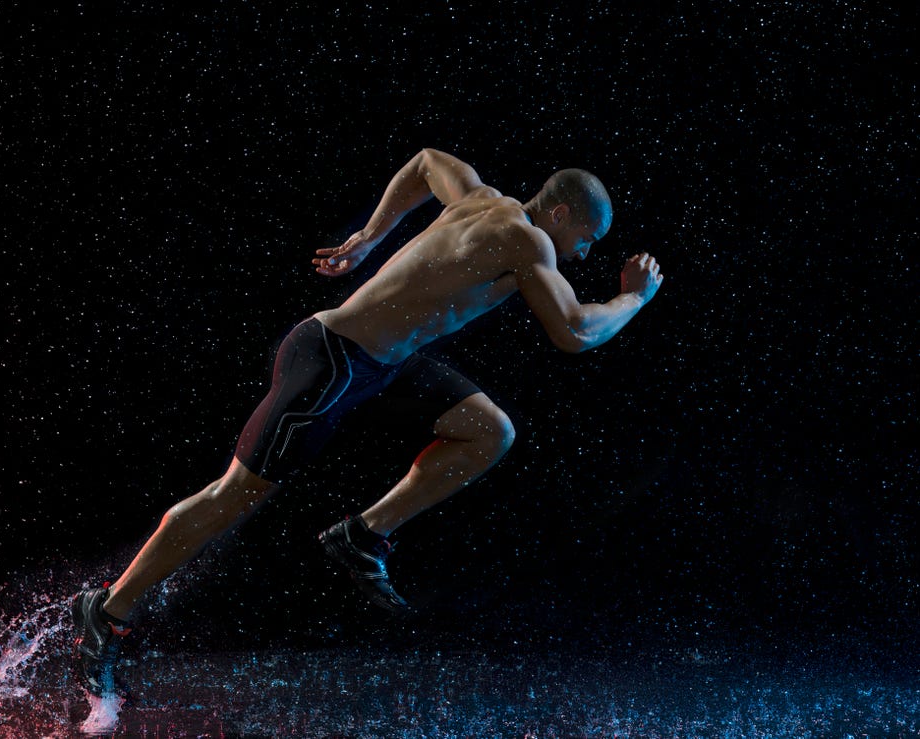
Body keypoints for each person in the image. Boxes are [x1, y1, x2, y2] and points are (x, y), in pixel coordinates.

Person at [72, 148, 663, 695]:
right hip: (329, 361)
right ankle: (109, 611)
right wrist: (633, 298)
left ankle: (361, 535)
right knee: (234, 495)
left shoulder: (483, 199)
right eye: (587, 238)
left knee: (491, 432)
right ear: (559, 212)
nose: (585, 253)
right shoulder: (525, 240)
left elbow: (427, 161)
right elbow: (576, 332)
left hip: (386, 364)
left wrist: (366, 239)